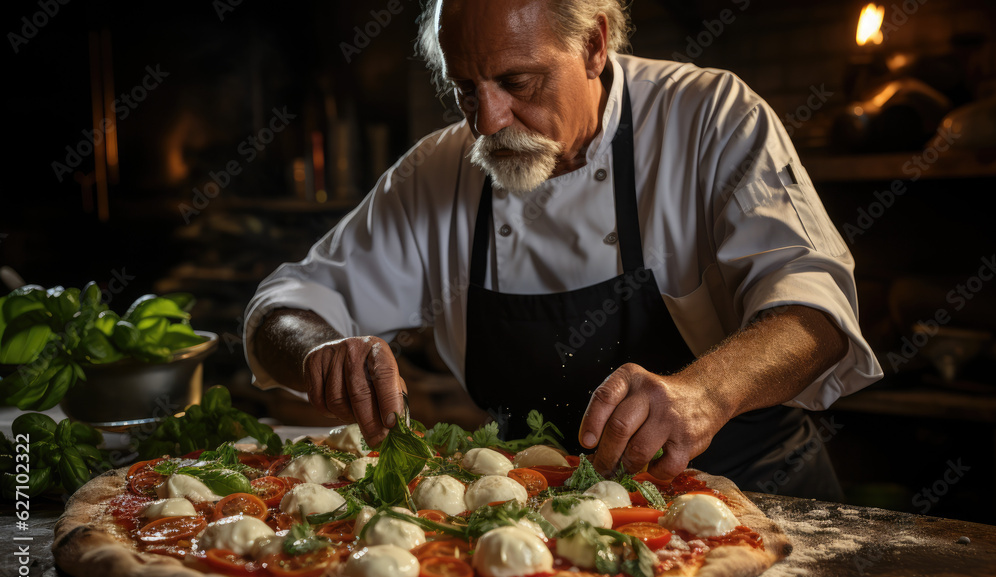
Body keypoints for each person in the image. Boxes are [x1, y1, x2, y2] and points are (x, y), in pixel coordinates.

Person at [244, 0, 882, 500]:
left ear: (595, 45)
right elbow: (283, 306)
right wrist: (320, 352)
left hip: (751, 492)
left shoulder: (709, 117)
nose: (488, 120)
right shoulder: (436, 172)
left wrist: (704, 393)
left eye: (516, 82)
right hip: (542, 519)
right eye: (466, 88)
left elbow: (816, 315)